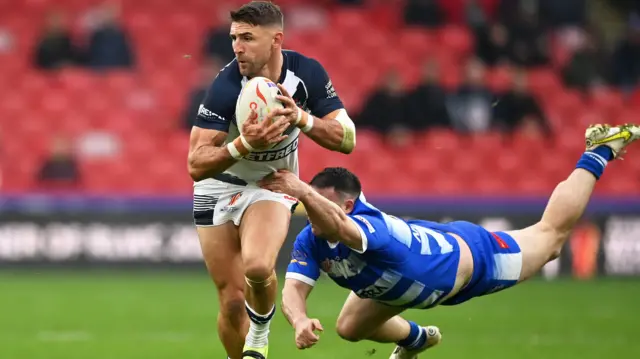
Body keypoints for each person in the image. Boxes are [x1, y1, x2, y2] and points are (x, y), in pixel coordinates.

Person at [258, 124, 640, 359]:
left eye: (318, 199)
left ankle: (599, 150)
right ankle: (418, 340)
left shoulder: (367, 226)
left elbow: (342, 228)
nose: (309, 206)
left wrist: (302, 191)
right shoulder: (311, 239)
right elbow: (293, 289)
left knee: (551, 238)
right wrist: (300, 319)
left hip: (472, 260)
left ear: (348, 205)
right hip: (400, 280)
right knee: (348, 329)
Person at [186, 2, 356, 359]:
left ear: (276, 39)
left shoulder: (305, 73)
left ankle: (260, 332)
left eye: (247, 37)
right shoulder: (226, 84)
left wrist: (301, 119)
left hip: (270, 182)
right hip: (217, 187)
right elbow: (196, 164)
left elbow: (347, 138)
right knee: (232, 304)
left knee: (260, 267)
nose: (237, 47)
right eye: (234, 37)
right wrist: (245, 144)